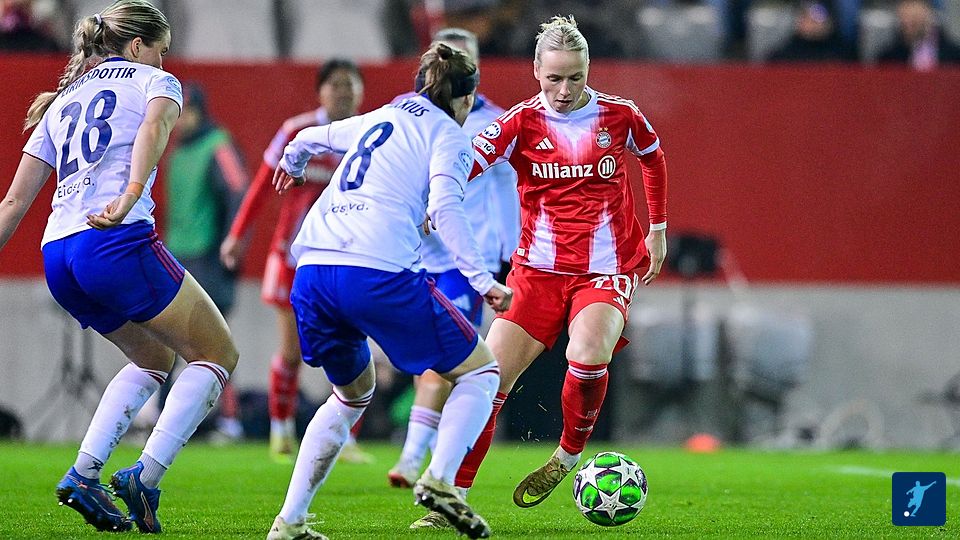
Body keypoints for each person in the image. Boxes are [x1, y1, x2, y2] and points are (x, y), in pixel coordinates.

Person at [412, 15, 667, 527]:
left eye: (575, 77)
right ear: (536, 71)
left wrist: (657, 229)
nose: (565, 90)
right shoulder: (519, 122)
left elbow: (653, 158)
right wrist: (434, 200)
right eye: (554, 78)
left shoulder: (620, 115)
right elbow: (467, 163)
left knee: (586, 353)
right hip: (536, 273)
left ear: (588, 70)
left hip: (606, 268)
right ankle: (452, 497)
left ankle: (568, 454)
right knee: (485, 380)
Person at [0, 0, 238, 533]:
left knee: (153, 358)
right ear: (137, 46)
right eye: (161, 50)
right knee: (218, 354)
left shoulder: (63, 100)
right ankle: (145, 478)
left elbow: (12, 203)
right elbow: (153, 128)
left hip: (59, 256)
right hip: (114, 240)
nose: (164, 60)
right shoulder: (156, 82)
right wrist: (131, 193)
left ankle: (83, 475)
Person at [265, 43, 512, 540]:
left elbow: (310, 136)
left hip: (312, 271)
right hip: (375, 271)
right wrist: (483, 279)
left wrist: (293, 161)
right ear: (466, 99)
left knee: (350, 394)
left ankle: (289, 523)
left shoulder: (381, 116)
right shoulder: (450, 135)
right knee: (481, 371)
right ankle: (440, 478)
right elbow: (445, 209)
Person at [219, 59, 373, 463]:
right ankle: (281, 430)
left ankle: (345, 439)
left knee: (353, 346)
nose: (343, 92)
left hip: (349, 256)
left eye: (350, 84)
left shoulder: (371, 134)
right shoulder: (298, 132)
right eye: (335, 84)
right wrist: (237, 235)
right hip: (293, 255)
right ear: (320, 91)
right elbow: (261, 185)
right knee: (291, 351)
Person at [387, 27, 520, 493]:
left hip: (465, 262)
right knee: (434, 361)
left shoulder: (497, 123)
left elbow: (507, 189)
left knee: (447, 357)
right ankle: (428, 456)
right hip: (413, 256)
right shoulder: (406, 112)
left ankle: (413, 459)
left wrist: (511, 251)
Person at [161, 82, 247, 441]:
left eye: (188, 113)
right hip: (174, 257)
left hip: (208, 261)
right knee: (169, 345)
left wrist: (232, 248)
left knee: (213, 345)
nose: (181, 122)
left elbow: (239, 194)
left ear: (200, 112)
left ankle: (229, 420)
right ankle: (167, 422)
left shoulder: (218, 145)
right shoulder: (176, 152)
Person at [878, 0, 960, 70]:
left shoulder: (955, 55)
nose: (907, 26)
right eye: (904, 23)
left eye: (913, 22)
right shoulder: (889, 57)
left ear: (928, 15)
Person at [768, 2, 854, 62]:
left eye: (818, 14)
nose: (811, 20)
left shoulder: (844, 55)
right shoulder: (782, 57)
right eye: (804, 14)